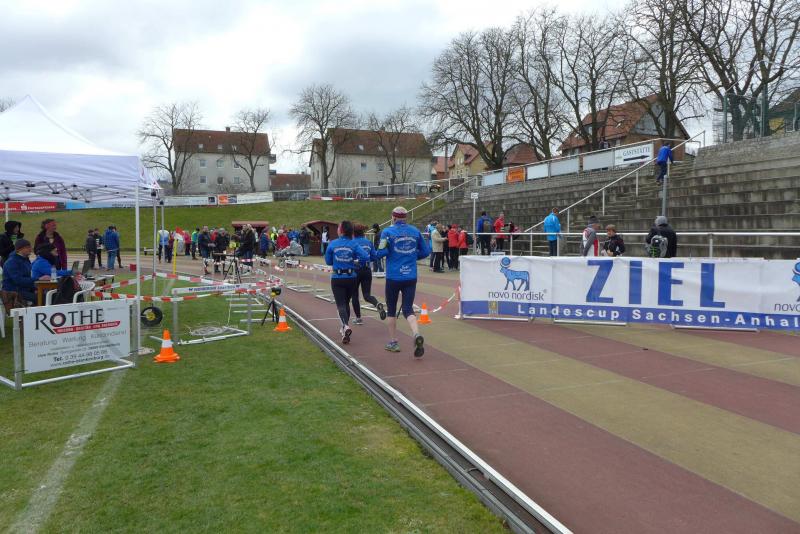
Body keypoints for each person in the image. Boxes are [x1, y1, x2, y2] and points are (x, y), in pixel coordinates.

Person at [376, 206, 430, 357]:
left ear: (393, 217)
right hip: (410, 276)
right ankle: (416, 334)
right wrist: (412, 256)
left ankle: (393, 342)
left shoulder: (387, 232)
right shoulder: (415, 231)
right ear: (406, 217)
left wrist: (383, 252)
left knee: (391, 310)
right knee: (408, 309)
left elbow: (381, 252)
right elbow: (426, 251)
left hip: (393, 277)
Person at [324, 220, 371, 344]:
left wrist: (338, 260)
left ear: (342, 230)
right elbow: (366, 257)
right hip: (351, 277)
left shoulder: (333, 243)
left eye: (338, 227)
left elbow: (328, 261)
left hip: (338, 278)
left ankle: (345, 325)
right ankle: (345, 329)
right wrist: (356, 263)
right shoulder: (353, 244)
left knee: (341, 304)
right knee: (346, 303)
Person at [351, 224, 387, 325]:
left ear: (353, 233)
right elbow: (374, 257)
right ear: (363, 232)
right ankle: (377, 303)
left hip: (355, 271)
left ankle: (358, 318)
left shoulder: (352, 243)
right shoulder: (368, 242)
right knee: (367, 295)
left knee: (354, 295)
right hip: (367, 270)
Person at [2, 239, 35, 303]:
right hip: (13, 292)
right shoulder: (12, 262)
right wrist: (37, 279)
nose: (30, 249)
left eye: (30, 247)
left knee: (46, 295)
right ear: (19, 249)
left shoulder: (25, 259)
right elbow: (18, 280)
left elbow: (27, 277)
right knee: (42, 298)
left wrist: (34, 288)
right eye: (27, 247)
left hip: (24, 290)